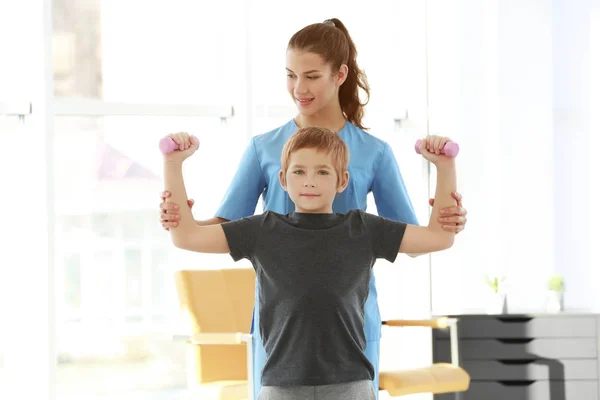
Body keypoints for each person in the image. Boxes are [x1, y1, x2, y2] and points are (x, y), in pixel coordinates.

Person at [159, 18, 468, 398]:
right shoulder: (265, 148)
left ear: (339, 75)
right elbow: (224, 226)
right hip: (281, 328)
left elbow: (417, 239)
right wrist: (180, 217)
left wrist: (448, 217)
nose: (298, 88)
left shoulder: (374, 153)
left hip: (352, 324)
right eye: (290, 75)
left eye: (311, 76)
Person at [162, 127, 458, 400]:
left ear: (342, 180)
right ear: (283, 179)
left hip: (351, 385)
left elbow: (438, 237)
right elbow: (186, 236)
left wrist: (445, 167)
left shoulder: (364, 229)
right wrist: (173, 163)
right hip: (280, 386)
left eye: (323, 172)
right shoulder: (260, 230)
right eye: (299, 171)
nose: (310, 181)